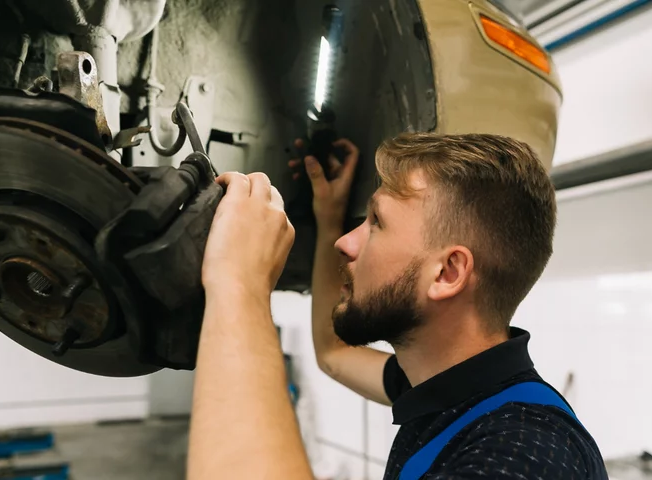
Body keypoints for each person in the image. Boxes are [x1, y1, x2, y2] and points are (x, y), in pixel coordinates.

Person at [187, 133, 608, 480]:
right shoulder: (449, 387)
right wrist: (329, 215)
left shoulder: (524, 453)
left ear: (447, 273)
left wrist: (238, 280)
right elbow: (334, 354)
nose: (345, 242)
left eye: (376, 222)